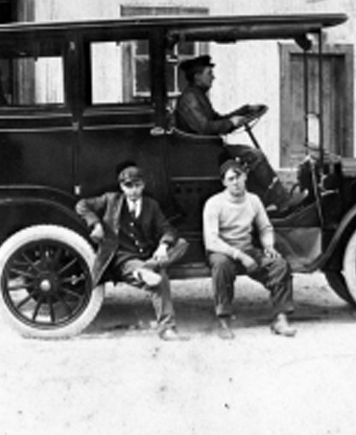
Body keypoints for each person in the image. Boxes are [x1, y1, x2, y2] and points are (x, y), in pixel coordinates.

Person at [174, 54, 306, 215]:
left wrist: (245, 110)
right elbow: (205, 127)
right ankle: (281, 201)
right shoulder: (190, 98)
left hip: (208, 150)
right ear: (197, 77)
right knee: (254, 155)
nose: (213, 78)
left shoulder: (197, 96)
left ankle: (267, 202)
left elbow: (217, 119)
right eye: (209, 73)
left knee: (251, 155)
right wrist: (231, 123)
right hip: (201, 154)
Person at [75, 161, 189, 341]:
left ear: (143, 185)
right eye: (128, 186)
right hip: (124, 259)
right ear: (122, 187)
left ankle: (147, 268)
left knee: (181, 243)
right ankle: (167, 328)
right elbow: (82, 205)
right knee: (160, 281)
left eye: (137, 185)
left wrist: (163, 245)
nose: (133, 190)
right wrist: (96, 224)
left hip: (149, 256)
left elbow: (168, 229)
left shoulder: (151, 205)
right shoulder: (110, 200)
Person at [203, 158, 297, 339]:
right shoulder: (214, 203)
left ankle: (280, 319)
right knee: (221, 267)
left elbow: (265, 227)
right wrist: (239, 256)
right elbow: (211, 241)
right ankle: (224, 321)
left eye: (239, 177)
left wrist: (268, 246)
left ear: (245, 177)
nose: (236, 182)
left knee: (279, 265)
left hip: (247, 249)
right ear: (224, 182)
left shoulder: (253, 200)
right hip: (223, 251)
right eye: (230, 179)